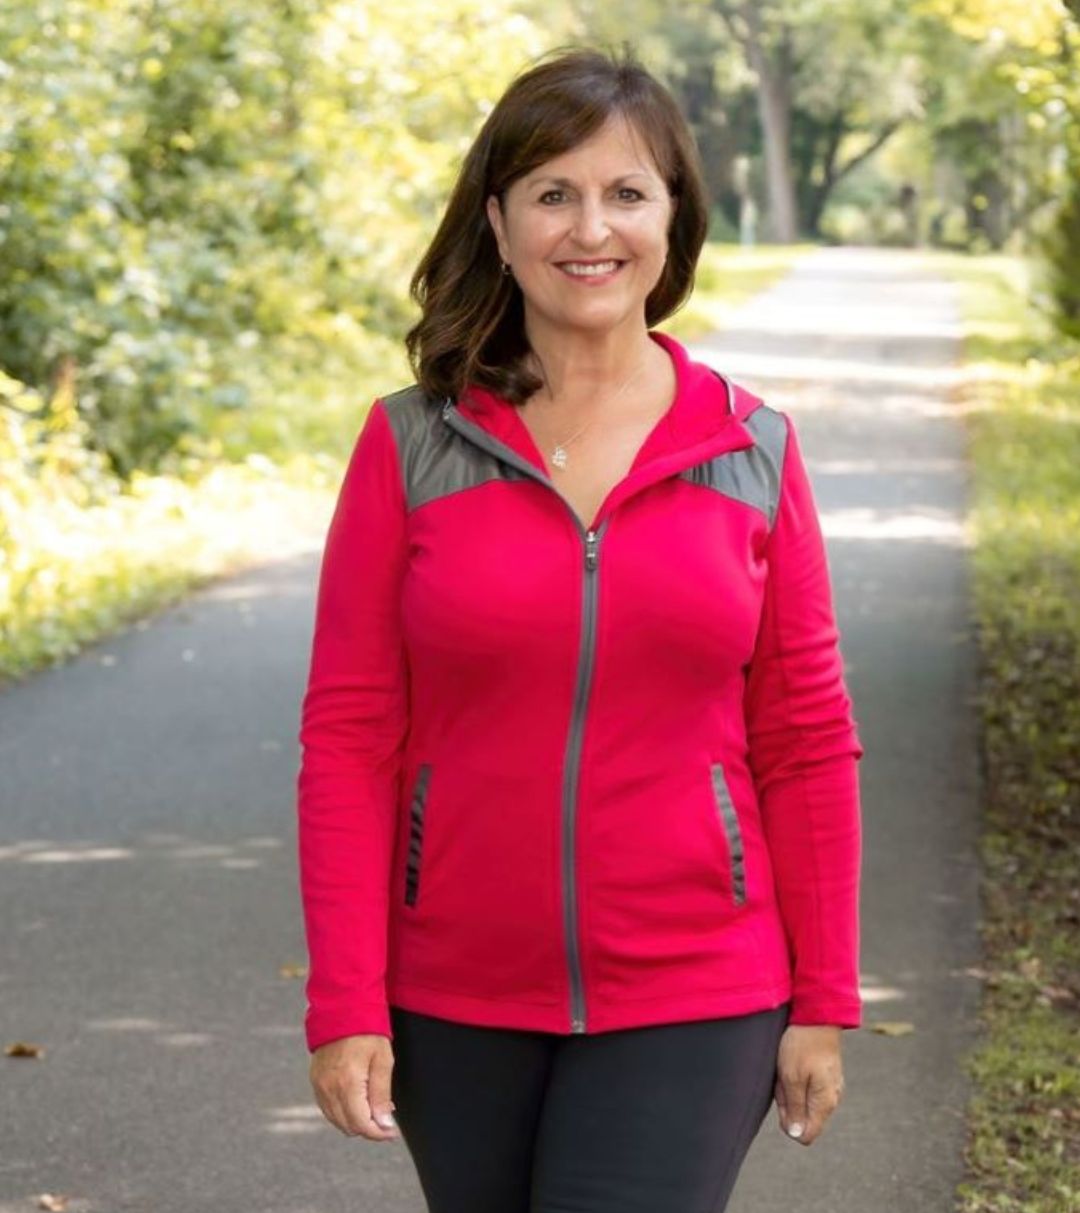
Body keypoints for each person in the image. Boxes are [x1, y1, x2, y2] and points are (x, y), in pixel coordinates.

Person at [295, 43, 865, 1213]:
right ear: (498, 224)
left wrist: (825, 996)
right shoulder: (413, 444)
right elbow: (349, 736)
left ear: (673, 218)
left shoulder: (751, 449)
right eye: (553, 193)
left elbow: (806, 738)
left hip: (699, 986)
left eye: (626, 192)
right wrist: (345, 998)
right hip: (452, 990)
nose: (590, 228)